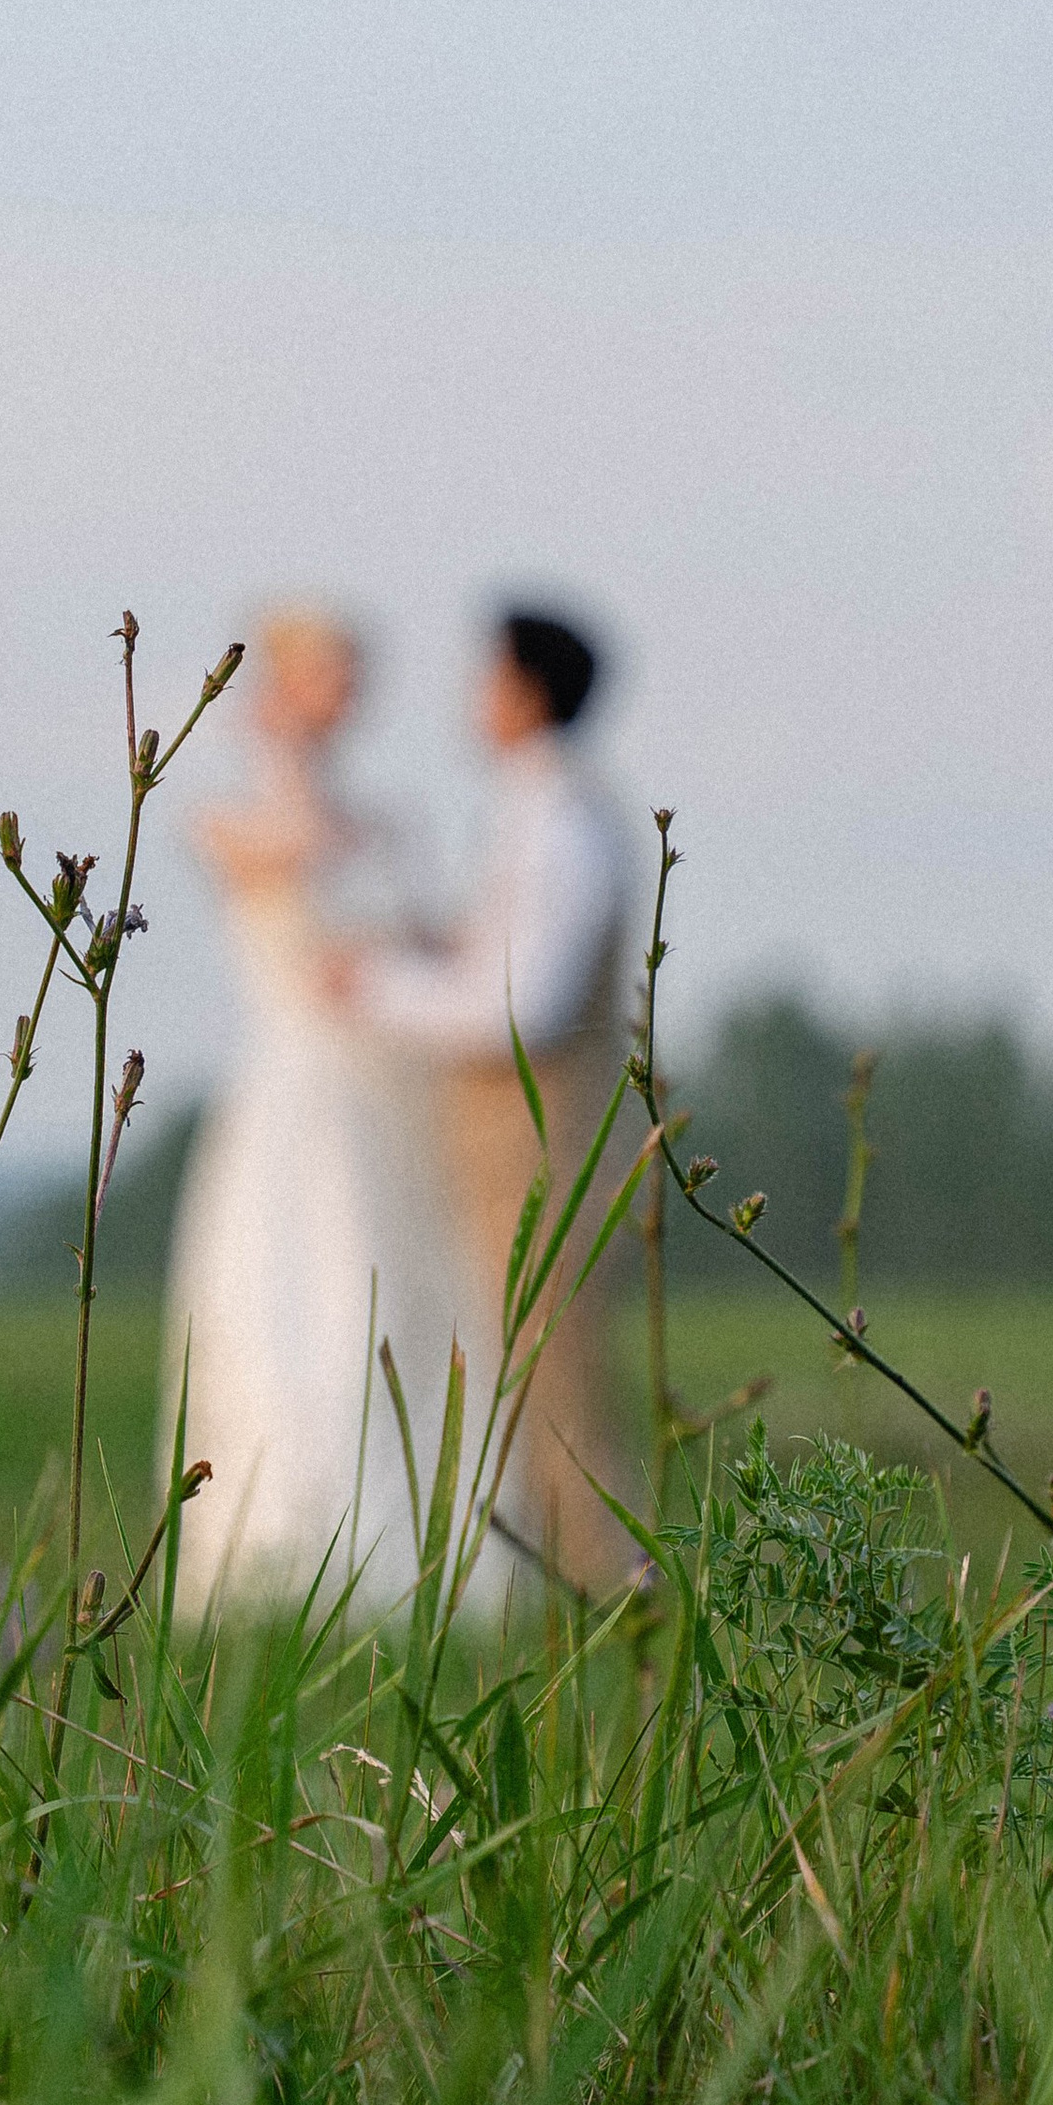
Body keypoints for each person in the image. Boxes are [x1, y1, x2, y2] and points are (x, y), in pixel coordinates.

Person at [161, 609, 456, 1609]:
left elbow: (426, 947)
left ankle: (405, 1549)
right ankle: (282, 1544)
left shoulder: (383, 820)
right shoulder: (226, 818)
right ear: (279, 688)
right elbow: (289, 881)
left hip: (391, 1095)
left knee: (401, 1302)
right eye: (331, 676)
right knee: (292, 1308)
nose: (347, 698)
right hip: (293, 1093)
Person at [342, 605, 638, 1594]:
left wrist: (374, 986)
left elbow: (522, 1007)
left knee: (551, 1377)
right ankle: (569, 1592)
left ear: (526, 689)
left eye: (487, 674)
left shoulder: (564, 824)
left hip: (539, 1140)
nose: (472, 695)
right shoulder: (533, 813)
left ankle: (614, 1591)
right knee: (522, 1369)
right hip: (501, 1140)